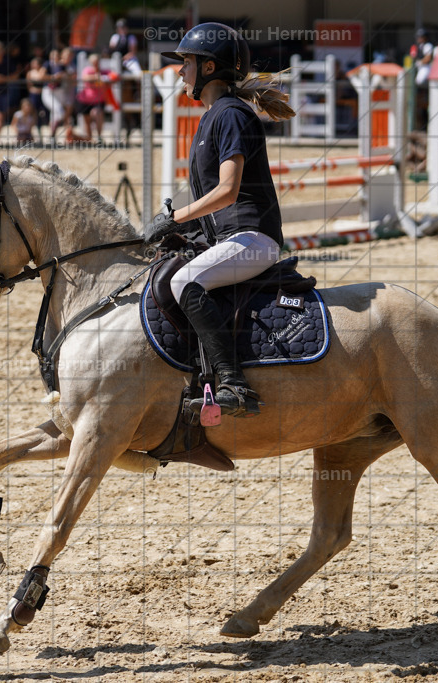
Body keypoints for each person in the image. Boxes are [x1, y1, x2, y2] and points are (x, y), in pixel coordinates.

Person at [145, 22, 296, 418]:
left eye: (187, 63)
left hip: (253, 239)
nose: (180, 70)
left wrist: (174, 217)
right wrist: (183, 230)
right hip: (229, 238)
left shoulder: (231, 114)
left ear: (209, 68)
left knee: (185, 281)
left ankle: (233, 384)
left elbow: (228, 191)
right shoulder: (212, 117)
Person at [75, 53, 106, 142]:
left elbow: (114, 77)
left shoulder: (103, 71)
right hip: (85, 100)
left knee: (96, 113)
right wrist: (97, 77)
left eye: (97, 62)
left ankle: (99, 136)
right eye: (94, 62)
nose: (95, 64)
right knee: (87, 120)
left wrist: (102, 77)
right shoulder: (87, 70)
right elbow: (86, 78)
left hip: (98, 100)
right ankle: (90, 139)